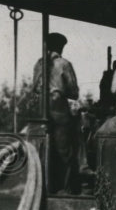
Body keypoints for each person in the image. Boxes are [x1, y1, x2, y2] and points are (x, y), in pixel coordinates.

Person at [32, 32, 81, 193]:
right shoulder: (64, 64)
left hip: (39, 108)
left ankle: (42, 188)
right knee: (65, 151)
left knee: (42, 149)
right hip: (58, 108)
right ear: (60, 47)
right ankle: (65, 189)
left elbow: (34, 87)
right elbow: (73, 92)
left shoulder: (39, 64)